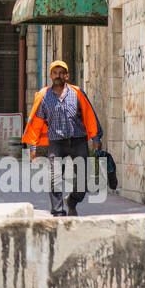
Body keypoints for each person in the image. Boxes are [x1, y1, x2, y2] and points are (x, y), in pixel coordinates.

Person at [20, 60, 101, 217]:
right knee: (55, 177)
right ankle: (57, 212)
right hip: (56, 143)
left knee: (83, 180)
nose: (58, 76)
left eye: (61, 73)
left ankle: (72, 201)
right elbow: (36, 123)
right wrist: (33, 146)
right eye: (55, 73)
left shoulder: (78, 93)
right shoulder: (44, 96)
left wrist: (96, 137)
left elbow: (90, 116)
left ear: (67, 75)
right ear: (50, 76)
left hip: (78, 140)